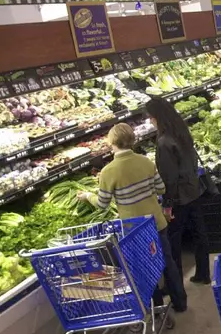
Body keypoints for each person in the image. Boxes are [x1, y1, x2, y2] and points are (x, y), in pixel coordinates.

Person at [77, 123, 187, 316]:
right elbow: (161, 189)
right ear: (133, 140)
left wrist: (87, 196)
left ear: (112, 142)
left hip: (133, 229)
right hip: (157, 222)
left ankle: (157, 309)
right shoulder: (145, 161)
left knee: (145, 268)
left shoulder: (109, 171)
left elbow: (102, 203)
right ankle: (180, 302)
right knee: (167, 262)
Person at [145, 97, 211, 285]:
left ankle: (176, 285)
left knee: (173, 242)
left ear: (157, 117)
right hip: (194, 189)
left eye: (151, 117)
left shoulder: (164, 142)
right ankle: (204, 273)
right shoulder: (181, 132)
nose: (150, 121)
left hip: (180, 197)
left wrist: (167, 204)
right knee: (200, 233)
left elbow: (169, 177)